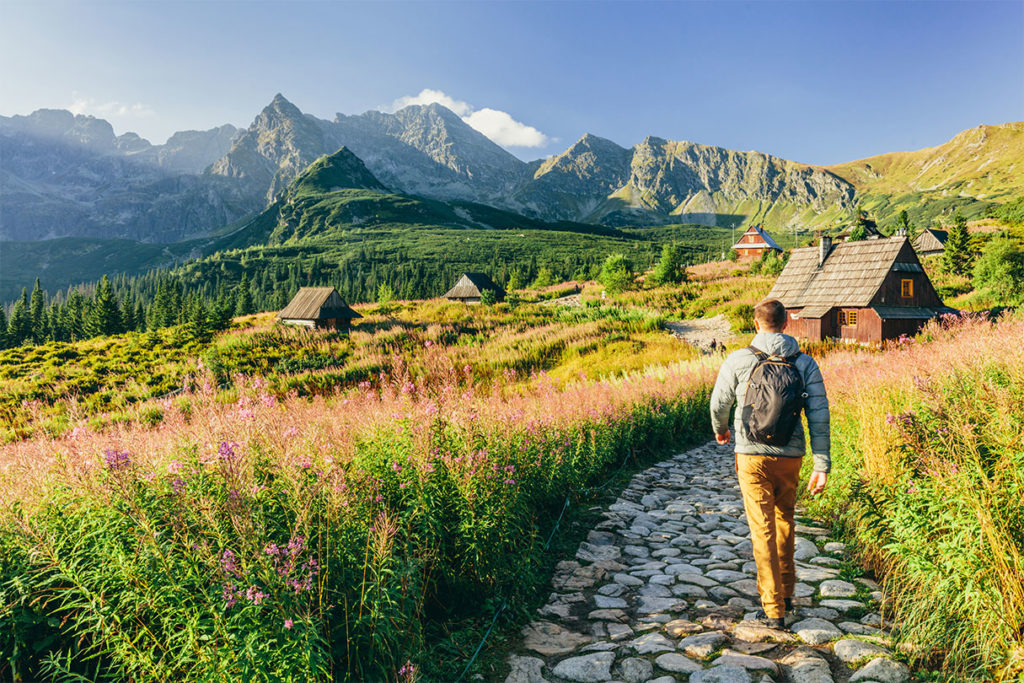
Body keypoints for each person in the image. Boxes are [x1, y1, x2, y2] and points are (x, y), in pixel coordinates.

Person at [709, 298, 830, 630]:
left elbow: (719, 402)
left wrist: (721, 430)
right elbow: (819, 416)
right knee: (785, 523)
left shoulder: (739, 359)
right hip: (790, 457)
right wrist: (822, 464)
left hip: (750, 454)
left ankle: (773, 607)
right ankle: (788, 594)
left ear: (755, 323)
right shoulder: (805, 364)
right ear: (786, 324)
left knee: (761, 529)